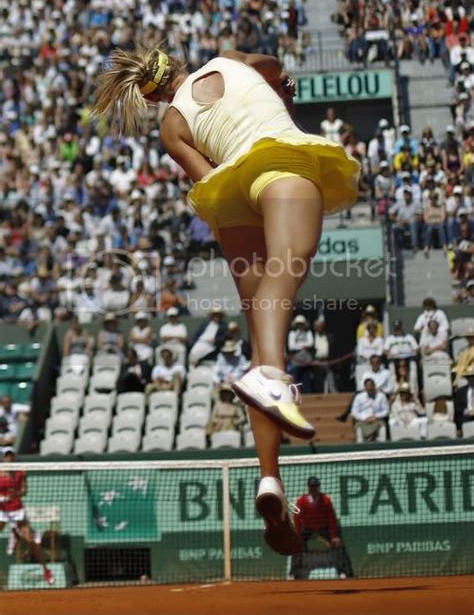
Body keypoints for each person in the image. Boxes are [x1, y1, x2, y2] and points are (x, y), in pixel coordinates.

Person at [93, 46, 359, 555]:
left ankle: (269, 481)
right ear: (173, 61)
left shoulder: (171, 126)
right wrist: (280, 89)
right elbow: (276, 72)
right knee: (290, 263)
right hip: (279, 159)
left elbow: (207, 175)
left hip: (232, 191)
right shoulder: (231, 57)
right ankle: (274, 379)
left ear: (149, 95)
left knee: (263, 326)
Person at [0, 448, 53, 585]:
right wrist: (3, 498)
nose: (9, 459)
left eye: (11, 456)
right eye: (7, 456)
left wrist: (16, 493)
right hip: (2, 510)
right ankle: (14, 532)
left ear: (14, 458)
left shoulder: (21, 473)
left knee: (30, 540)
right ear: (4, 458)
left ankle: (46, 570)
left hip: (17, 510)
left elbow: (24, 490)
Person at [291, 476, 353, 579]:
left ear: (318, 487)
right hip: (307, 530)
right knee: (296, 547)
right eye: (312, 486)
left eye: (315, 486)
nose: (314, 488)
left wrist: (334, 536)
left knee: (339, 547)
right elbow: (297, 519)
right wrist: (297, 536)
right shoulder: (301, 501)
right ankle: (294, 573)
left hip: (323, 529)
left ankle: (344, 572)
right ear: (309, 487)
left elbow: (331, 518)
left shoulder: (326, 500)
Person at [352, 374, 389, 442]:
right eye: (368, 387)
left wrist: (376, 417)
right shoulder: (359, 397)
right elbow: (354, 411)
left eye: (371, 387)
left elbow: (386, 410)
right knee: (358, 426)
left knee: (382, 425)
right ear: (365, 387)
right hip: (363, 420)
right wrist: (364, 418)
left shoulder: (381, 396)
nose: (369, 389)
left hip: (377, 420)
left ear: (374, 386)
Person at [287, 315, 314, 394]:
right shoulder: (292, 333)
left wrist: (299, 345)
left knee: (307, 378)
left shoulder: (308, 332)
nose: (300, 325)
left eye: (301, 324)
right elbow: (291, 346)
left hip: (306, 358)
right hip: (296, 358)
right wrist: (303, 346)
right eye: (298, 324)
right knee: (296, 378)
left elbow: (311, 343)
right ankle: (296, 394)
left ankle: (308, 395)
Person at [454, 365, 474, 432]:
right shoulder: (461, 391)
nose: (472, 379)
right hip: (466, 415)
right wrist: (466, 411)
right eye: (470, 377)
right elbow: (457, 407)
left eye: (473, 377)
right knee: (461, 418)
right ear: (467, 379)